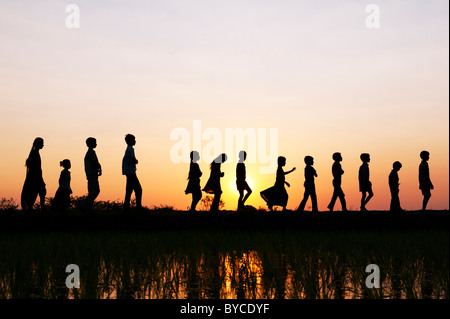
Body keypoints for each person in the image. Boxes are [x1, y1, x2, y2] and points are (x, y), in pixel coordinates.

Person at [21, 137, 46, 212]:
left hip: (34, 178)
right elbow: (36, 169)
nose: (43, 145)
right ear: (38, 144)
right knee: (35, 196)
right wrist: (40, 180)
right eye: (42, 143)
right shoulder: (35, 154)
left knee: (37, 195)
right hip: (35, 178)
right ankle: (42, 211)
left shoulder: (34, 153)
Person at [80, 137, 101, 212]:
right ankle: (84, 203)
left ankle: (89, 206)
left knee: (91, 191)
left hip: (90, 174)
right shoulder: (91, 152)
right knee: (96, 191)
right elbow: (94, 162)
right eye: (95, 142)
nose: (96, 144)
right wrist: (98, 168)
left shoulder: (90, 152)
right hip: (92, 174)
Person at [122, 134, 142, 210]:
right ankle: (138, 206)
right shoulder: (130, 149)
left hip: (128, 172)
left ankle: (126, 206)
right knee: (138, 189)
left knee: (129, 189)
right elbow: (133, 158)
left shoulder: (128, 149)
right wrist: (136, 161)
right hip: (131, 172)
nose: (135, 141)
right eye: (133, 140)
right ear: (130, 141)